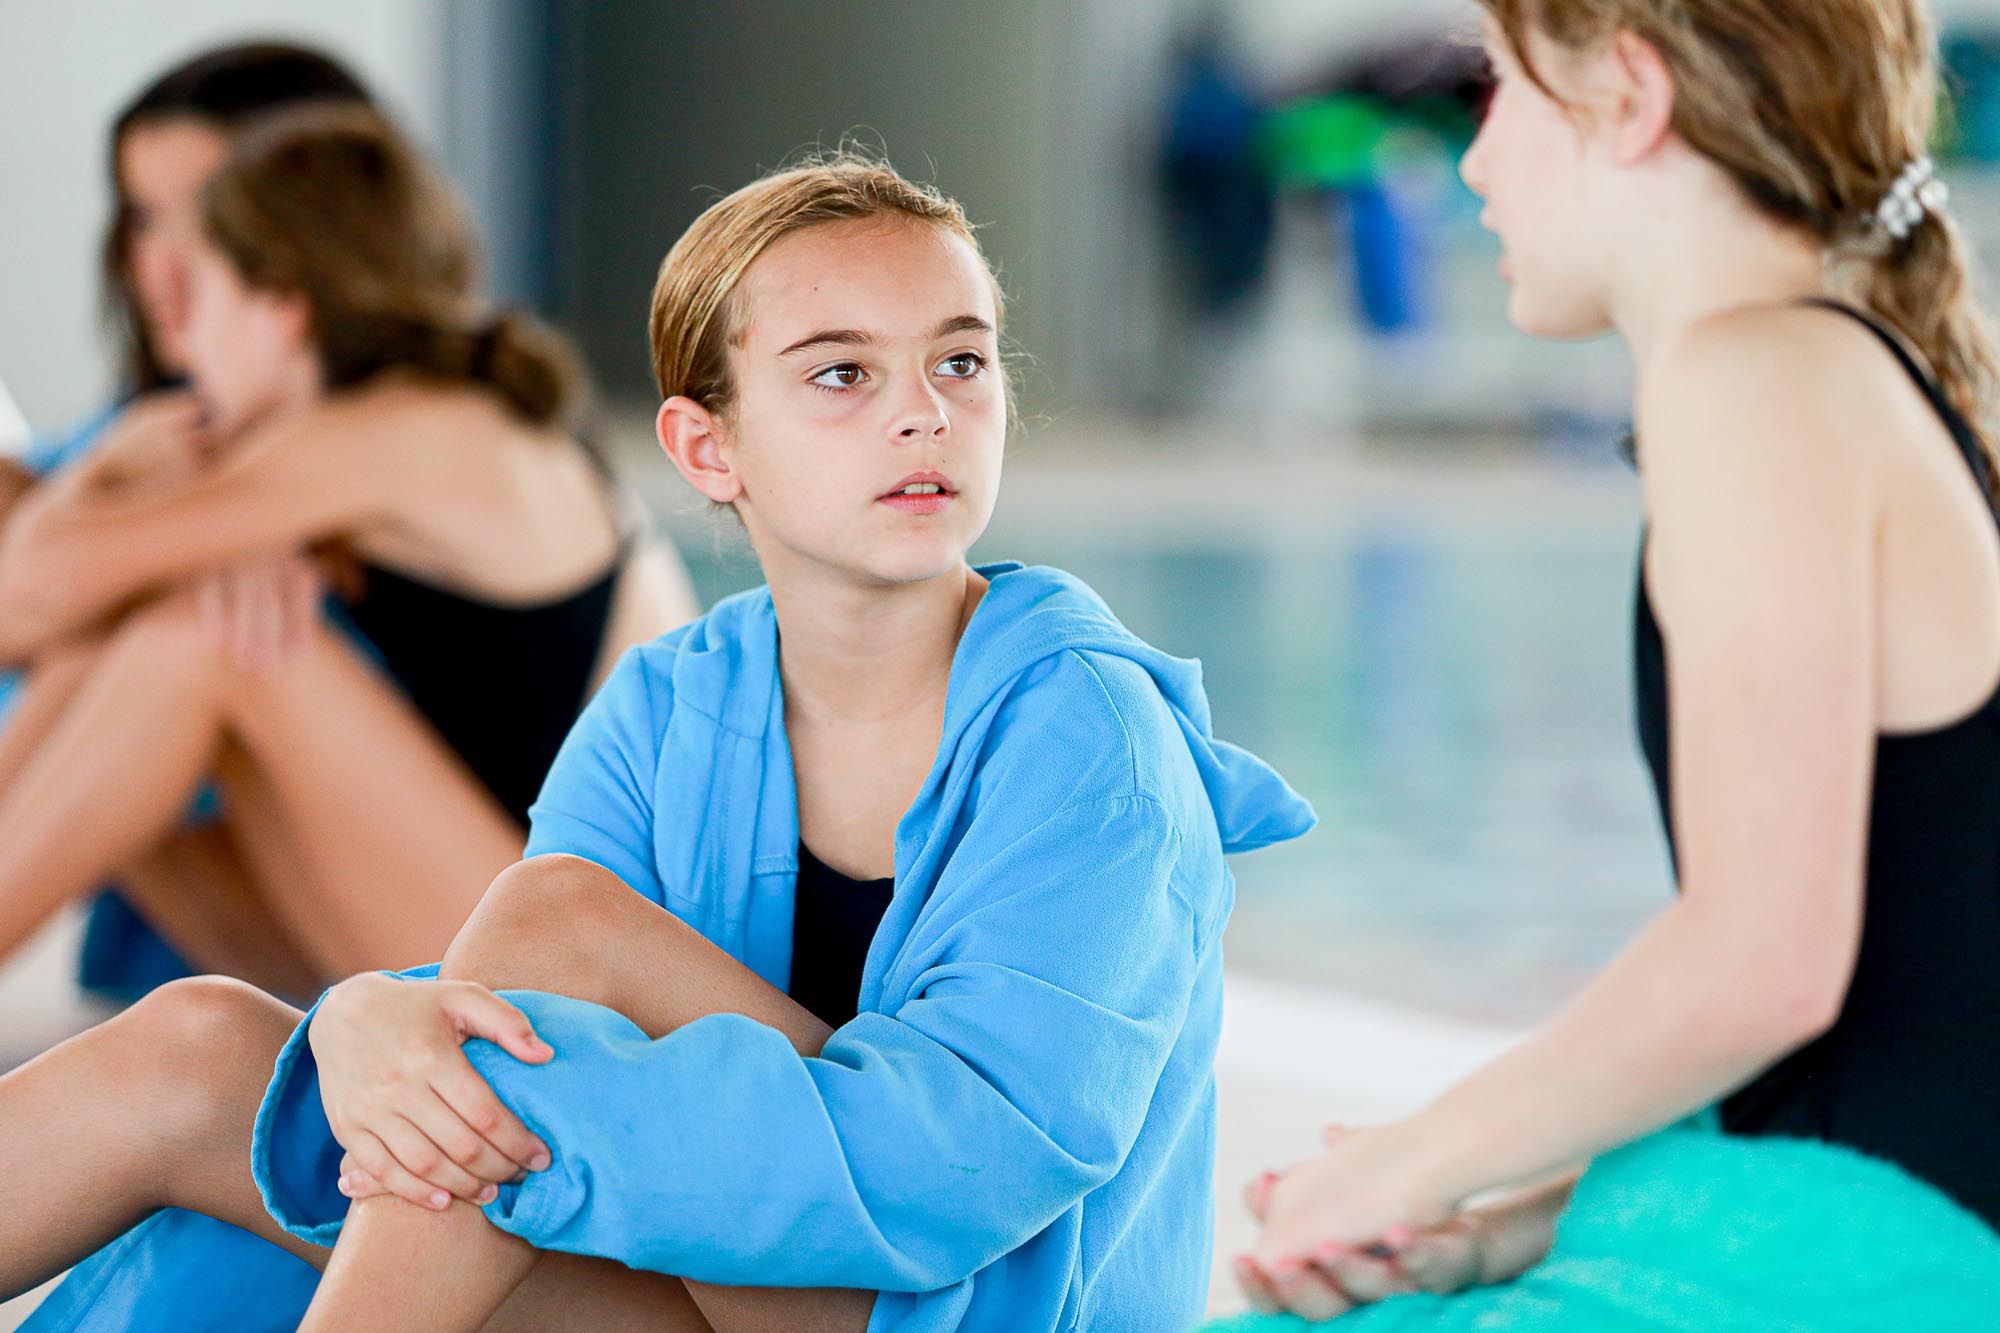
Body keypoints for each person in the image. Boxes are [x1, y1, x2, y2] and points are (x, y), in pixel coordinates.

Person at [1, 155, 1314, 1332]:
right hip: (686, 1259)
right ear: (707, 445)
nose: (922, 413)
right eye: (842, 373)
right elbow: (495, 1018)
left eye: (959, 361)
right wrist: (370, 1025)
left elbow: (963, 1170)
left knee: (553, 932)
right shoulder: (666, 703)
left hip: (946, 1305)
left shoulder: (1094, 744)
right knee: (200, 1050)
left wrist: (510, 1098)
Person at [1221, 1, 2000, 1326]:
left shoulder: (1754, 378)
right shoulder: (1834, 375)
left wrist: (1407, 1162)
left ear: (1630, 97)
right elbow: (1895, 1003)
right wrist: (1488, 1233)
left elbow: (1764, 967)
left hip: (1883, 1261)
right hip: (1880, 1218)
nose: (1472, 162)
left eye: (1500, 93)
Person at [0, 102, 694, 999]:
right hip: (500, 928)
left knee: (207, 644)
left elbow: (31, 583)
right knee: (144, 649)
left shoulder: (400, 430)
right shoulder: (374, 438)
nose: (185, 345)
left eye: (199, 299)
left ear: (283, 306)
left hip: (586, 973)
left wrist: (101, 471)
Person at [0, 41, 378, 998]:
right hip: (176, 984)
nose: (164, 267)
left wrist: (127, 537)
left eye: (211, 221)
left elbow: (33, 592)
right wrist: (97, 495)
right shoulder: (163, 424)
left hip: (380, 956)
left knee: (167, 625)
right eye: (140, 220)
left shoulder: (400, 432)